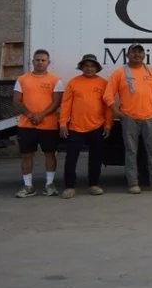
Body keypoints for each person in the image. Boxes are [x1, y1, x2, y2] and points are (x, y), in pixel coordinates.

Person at [104, 43, 152, 193]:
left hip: (151, 117)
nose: (136, 55)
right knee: (131, 151)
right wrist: (116, 111)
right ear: (128, 55)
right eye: (133, 52)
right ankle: (133, 184)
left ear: (144, 55)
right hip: (129, 118)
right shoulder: (120, 73)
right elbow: (108, 95)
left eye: (140, 52)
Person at [59, 54, 112, 198]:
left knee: (96, 158)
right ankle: (69, 187)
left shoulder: (104, 83)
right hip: (75, 127)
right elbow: (66, 104)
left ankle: (93, 185)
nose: (89, 69)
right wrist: (63, 124)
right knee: (71, 158)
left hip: (97, 127)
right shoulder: (73, 82)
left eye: (92, 66)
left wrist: (108, 125)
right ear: (81, 67)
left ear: (97, 68)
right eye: (86, 66)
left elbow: (108, 107)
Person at [13, 49, 64, 197]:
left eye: (43, 60)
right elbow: (16, 101)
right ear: (33, 61)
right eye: (37, 60)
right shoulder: (22, 79)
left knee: (50, 154)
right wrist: (30, 115)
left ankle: (49, 185)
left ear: (48, 62)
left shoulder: (55, 80)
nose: (40, 63)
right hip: (26, 125)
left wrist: (41, 115)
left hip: (49, 125)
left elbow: (56, 102)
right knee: (26, 155)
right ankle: (28, 186)